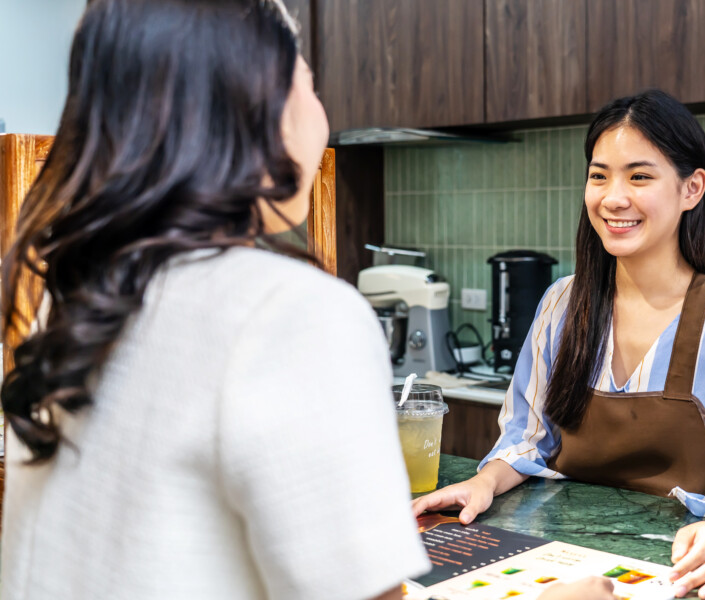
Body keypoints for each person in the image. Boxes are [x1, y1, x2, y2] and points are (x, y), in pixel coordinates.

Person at [0, 1, 615, 599]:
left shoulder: (77, 299)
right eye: (309, 84)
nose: (321, 115)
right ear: (259, 105)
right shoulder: (290, 312)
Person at [413, 90, 705, 600]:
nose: (613, 197)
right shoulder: (561, 304)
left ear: (692, 188)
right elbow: (528, 440)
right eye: (599, 175)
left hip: (680, 571)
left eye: (639, 176)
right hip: (568, 569)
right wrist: (485, 481)